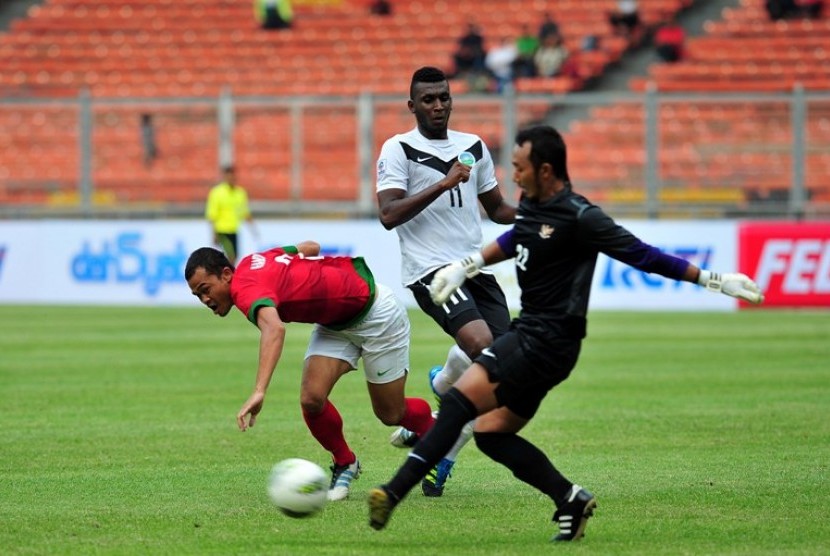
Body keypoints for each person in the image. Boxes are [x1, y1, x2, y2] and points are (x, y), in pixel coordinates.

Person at [368, 125, 764, 540]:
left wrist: (714, 280)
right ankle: (569, 498)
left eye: (519, 169)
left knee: (457, 405)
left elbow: (644, 256)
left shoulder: (582, 216)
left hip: (547, 342)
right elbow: (512, 240)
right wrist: (465, 267)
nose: (513, 177)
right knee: (491, 434)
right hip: (536, 341)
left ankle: (392, 493)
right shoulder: (533, 206)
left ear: (545, 169)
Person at [184, 242, 436, 502]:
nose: (205, 299)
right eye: (197, 295)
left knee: (391, 413)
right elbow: (311, 246)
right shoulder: (253, 261)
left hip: (377, 314)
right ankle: (345, 462)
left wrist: (259, 390)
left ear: (226, 274)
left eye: (206, 289)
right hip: (335, 324)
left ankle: (436, 428)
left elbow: (274, 329)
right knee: (311, 399)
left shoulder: (243, 289)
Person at [375, 66, 516, 497]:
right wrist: (444, 182)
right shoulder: (398, 148)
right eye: (429, 99)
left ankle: (443, 382)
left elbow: (496, 209)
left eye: (444, 97)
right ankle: (442, 458)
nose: (438, 105)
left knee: (507, 368)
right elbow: (389, 214)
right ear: (412, 105)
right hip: (430, 272)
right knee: (484, 352)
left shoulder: (472, 146)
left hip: (475, 269)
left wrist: (544, 214)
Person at [205, 165, 258, 264]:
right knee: (231, 256)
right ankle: (228, 277)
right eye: (228, 176)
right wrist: (214, 233)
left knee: (235, 256)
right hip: (221, 230)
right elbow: (212, 214)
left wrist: (253, 228)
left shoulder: (240, 193)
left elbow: (244, 212)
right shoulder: (217, 192)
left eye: (232, 176)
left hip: (233, 230)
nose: (231, 179)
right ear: (224, 177)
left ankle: (225, 276)